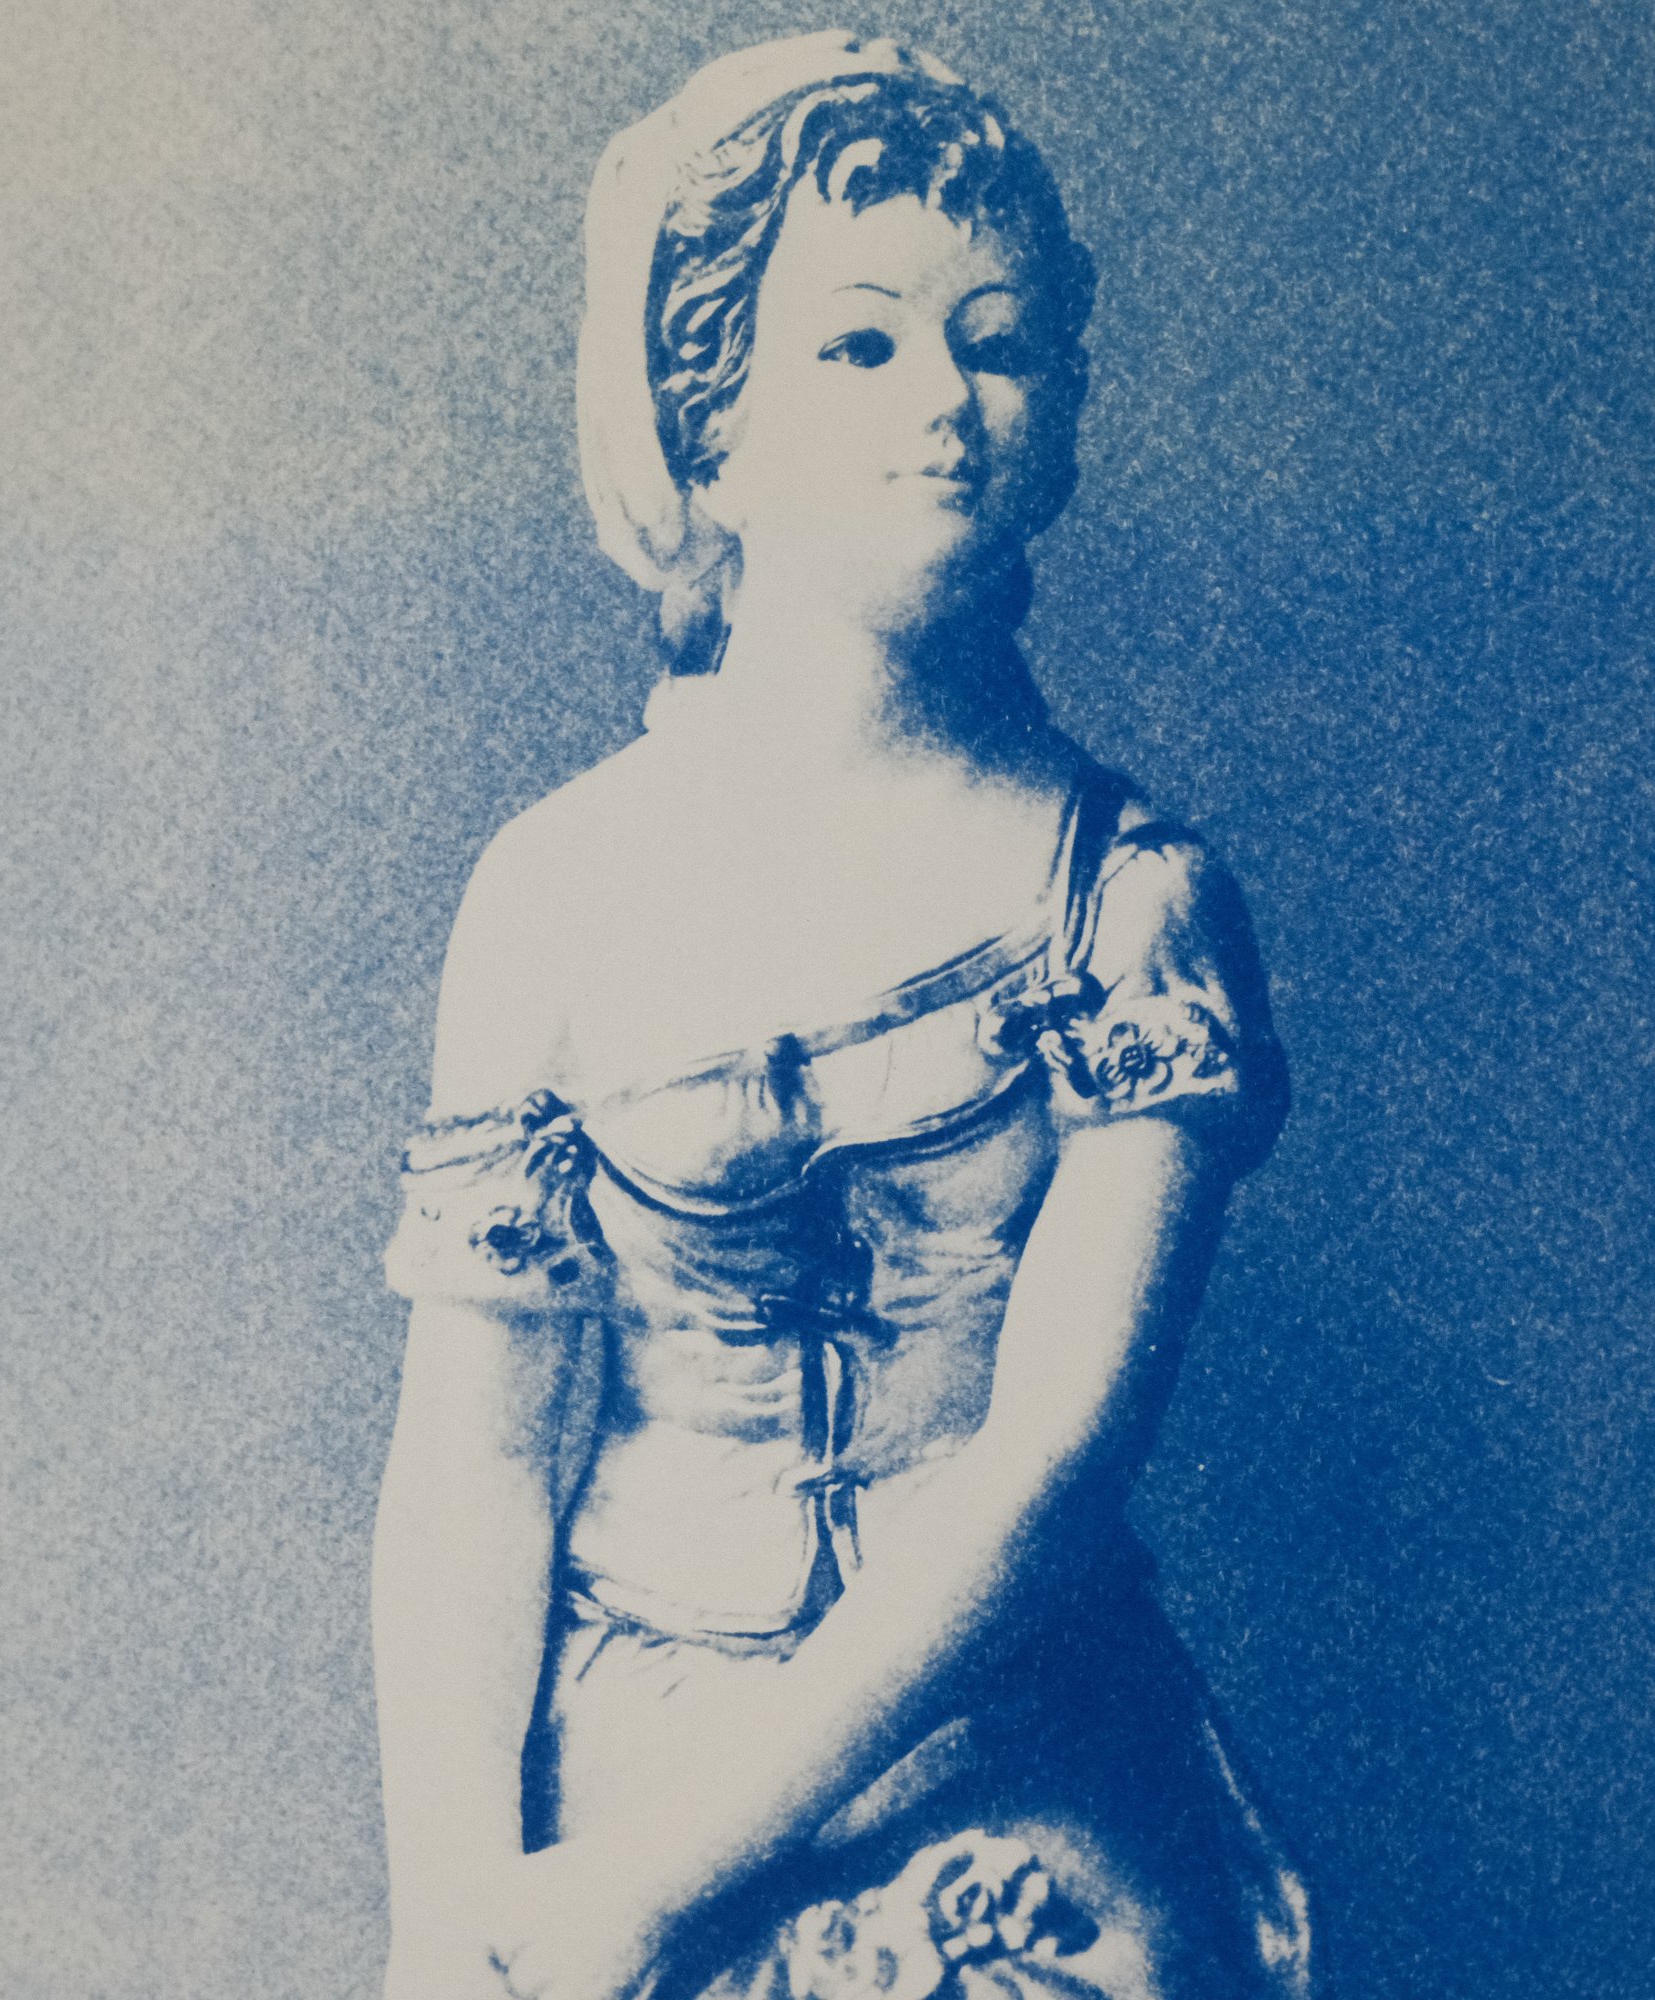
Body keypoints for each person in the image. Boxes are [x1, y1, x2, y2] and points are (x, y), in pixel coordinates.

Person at [372, 32, 1311, 2000]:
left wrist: (656, 1886)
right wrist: (454, 1914)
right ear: (705, 415)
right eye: (861, 345)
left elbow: (1048, 1471)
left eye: (998, 343)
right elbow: (477, 1467)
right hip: (609, 1750)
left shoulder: (1127, 907)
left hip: (1004, 1767)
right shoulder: (552, 892)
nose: (945, 404)